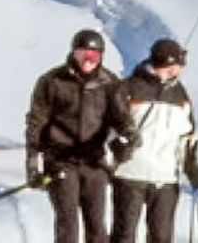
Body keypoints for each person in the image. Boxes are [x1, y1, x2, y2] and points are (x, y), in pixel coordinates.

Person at [27, 29, 129, 243]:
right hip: (61, 161)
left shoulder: (109, 83)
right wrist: (33, 162)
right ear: (73, 53)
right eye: (83, 54)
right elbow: (36, 122)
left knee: (96, 225)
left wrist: (126, 143)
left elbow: (122, 120)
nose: (88, 60)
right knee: (68, 224)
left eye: (94, 56)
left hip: (94, 163)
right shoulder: (52, 81)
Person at [109, 39, 198, 243]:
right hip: (129, 174)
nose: (175, 73)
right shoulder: (128, 88)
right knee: (124, 236)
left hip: (165, 178)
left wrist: (191, 162)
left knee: (161, 237)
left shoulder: (180, 95)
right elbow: (110, 126)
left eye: (178, 68)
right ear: (158, 63)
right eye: (170, 68)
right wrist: (117, 145)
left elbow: (187, 134)